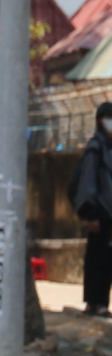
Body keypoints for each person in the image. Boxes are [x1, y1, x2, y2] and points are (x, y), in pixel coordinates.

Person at [75, 101, 112, 317]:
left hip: (109, 214)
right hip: (99, 213)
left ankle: (102, 303)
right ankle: (93, 302)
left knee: (107, 260)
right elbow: (88, 182)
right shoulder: (95, 148)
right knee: (96, 259)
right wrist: (91, 213)